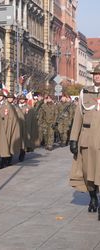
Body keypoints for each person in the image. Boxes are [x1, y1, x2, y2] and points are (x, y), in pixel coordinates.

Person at [69, 63, 100, 220]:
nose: (97, 76)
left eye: (99, 74)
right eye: (95, 74)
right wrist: (73, 139)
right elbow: (78, 117)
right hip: (87, 138)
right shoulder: (84, 92)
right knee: (88, 171)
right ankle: (93, 196)